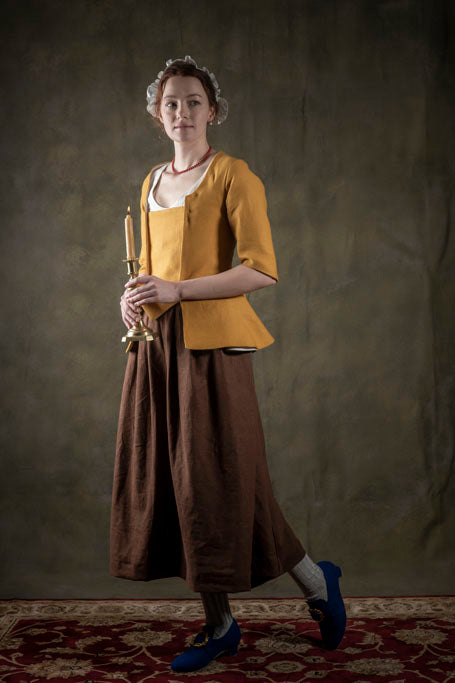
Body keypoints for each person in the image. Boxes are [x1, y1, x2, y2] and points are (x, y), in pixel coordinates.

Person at [110, 55, 346, 674]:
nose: (181, 112)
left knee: (218, 481)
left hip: (212, 350)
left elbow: (262, 269)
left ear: (212, 110)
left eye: (193, 101)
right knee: (180, 483)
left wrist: (177, 290)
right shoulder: (151, 181)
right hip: (156, 349)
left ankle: (308, 585)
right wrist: (132, 297)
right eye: (171, 103)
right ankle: (227, 622)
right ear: (157, 114)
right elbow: (149, 270)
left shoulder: (234, 175)